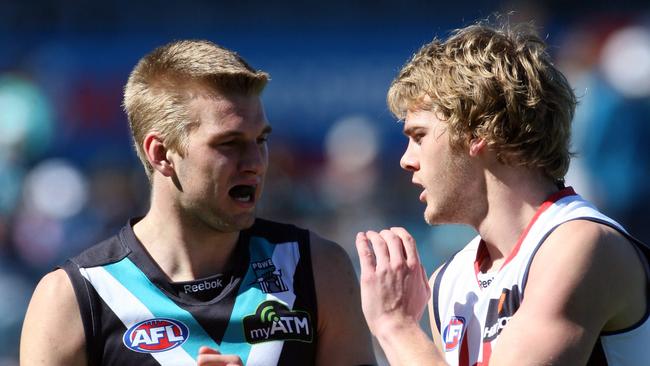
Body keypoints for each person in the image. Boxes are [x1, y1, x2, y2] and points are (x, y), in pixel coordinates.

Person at [20, 39, 375, 366]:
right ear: (161, 154)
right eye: (229, 143)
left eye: (261, 139)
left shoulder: (316, 268)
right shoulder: (73, 297)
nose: (256, 161)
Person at [356, 20, 650, 366]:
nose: (406, 160)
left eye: (419, 136)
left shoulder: (580, 245)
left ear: (478, 131)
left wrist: (396, 326)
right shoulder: (448, 282)